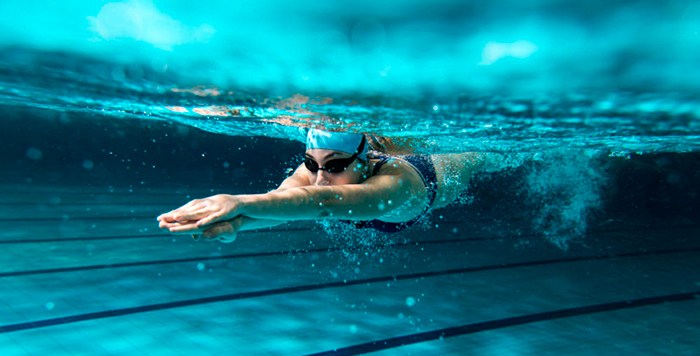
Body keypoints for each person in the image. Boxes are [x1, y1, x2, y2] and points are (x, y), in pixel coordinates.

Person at [157, 128, 496, 242]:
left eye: (334, 166)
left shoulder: (397, 184)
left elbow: (325, 202)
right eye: (310, 163)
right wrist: (235, 226)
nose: (319, 177)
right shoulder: (317, 174)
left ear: (364, 162)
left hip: (446, 170)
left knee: (484, 156)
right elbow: (281, 203)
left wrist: (236, 201)